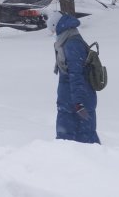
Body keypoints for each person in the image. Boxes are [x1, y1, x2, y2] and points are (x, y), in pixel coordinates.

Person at [48, 11, 100, 144]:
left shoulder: (72, 44)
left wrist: (79, 103)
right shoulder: (67, 40)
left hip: (76, 103)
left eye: (53, 31)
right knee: (69, 141)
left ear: (58, 27)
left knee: (82, 141)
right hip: (69, 102)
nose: (53, 34)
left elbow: (76, 75)